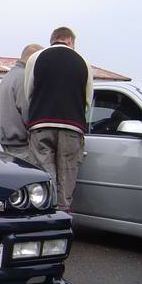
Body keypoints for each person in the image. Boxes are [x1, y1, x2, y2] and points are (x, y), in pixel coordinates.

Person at [24, 27, 93, 212]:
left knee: (43, 171)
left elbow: (29, 92)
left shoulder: (36, 58)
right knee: (68, 171)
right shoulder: (83, 61)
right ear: (70, 41)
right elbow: (87, 100)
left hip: (41, 123)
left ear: (52, 39)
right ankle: (63, 211)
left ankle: (45, 210)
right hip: (72, 126)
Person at [0, 43, 43, 161]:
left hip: (8, 144)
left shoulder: (10, 76)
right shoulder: (23, 78)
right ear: (34, 59)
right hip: (22, 147)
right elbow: (29, 113)